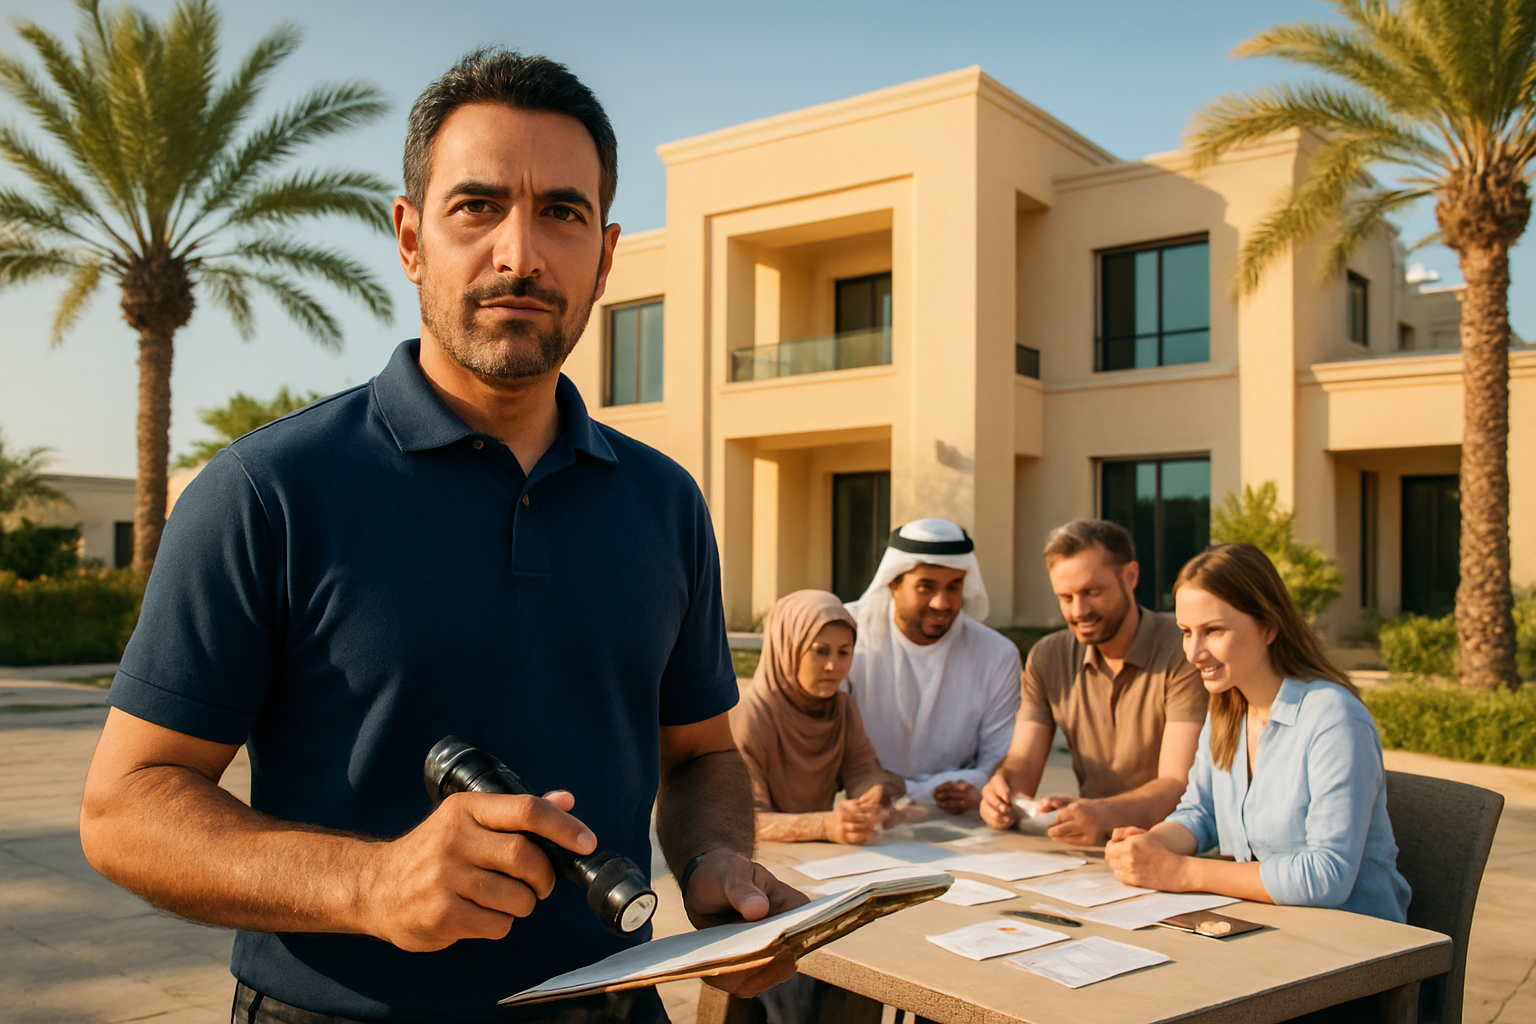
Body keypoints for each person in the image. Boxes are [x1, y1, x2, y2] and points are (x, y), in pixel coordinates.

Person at [77, 49, 804, 1024]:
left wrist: (716, 862)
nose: (519, 253)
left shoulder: (666, 503)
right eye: (477, 207)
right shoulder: (266, 491)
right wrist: (370, 883)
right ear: (411, 238)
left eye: (561, 212)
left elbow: (702, 754)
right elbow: (125, 807)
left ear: (605, 258)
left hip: (616, 1008)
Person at [1105, 543, 1411, 922]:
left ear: (1268, 626)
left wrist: (1181, 872)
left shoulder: (1334, 718)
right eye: (1186, 632)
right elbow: (1201, 813)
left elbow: (1326, 876)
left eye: (1213, 631)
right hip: (1271, 924)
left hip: (1358, 940)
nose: (1193, 653)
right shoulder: (1227, 709)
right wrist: (1151, 845)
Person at [980, 520, 1206, 845]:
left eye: (1092, 592)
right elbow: (1023, 763)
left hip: (1174, 844)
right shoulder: (1048, 656)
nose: (1079, 610)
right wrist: (1002, 792)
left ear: (1131, 576)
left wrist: (1101, 813)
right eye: (1066, 597)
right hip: (1090, 846)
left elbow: (1177, 786)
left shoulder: (1183, 648)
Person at [844, 518, 1021, 814]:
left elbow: (998, 762)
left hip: (964, 817)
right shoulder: (847, 635)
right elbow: (827, 742)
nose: (942, 603)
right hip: (864, 813)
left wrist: (976, 787)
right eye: (926, 587)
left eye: (954, 587)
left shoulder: (997, 654)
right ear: (894, 583)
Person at [731, 590, 907, 844]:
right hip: (762, 857)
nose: (833, 666)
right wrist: (823, 826)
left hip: (826, 858)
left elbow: (860, 766)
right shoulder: (752, 714)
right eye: (820, 651)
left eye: (844, 652)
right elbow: (746, 821)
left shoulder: (842, 708)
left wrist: (869, 795)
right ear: (788, 647)